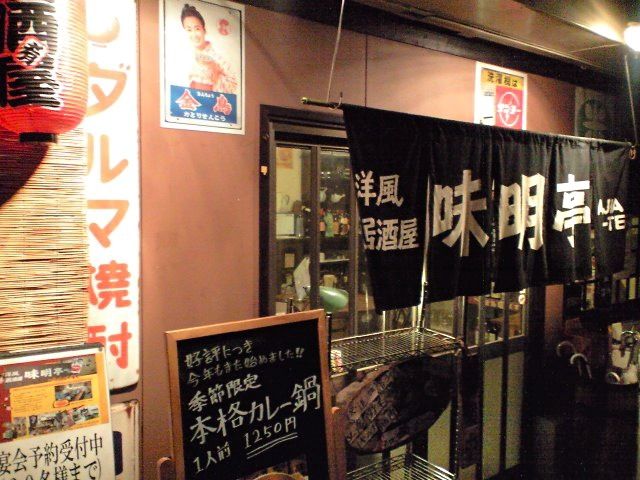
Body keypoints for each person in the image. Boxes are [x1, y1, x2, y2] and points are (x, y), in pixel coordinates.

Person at [181, 4, 238, 94]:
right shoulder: (183, 56)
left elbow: (233, 85)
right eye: (189, 30)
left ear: (204, 30)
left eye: (197, 29)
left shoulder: (218, 56)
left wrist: (216, 75)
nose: (194, 34)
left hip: (211, 100)